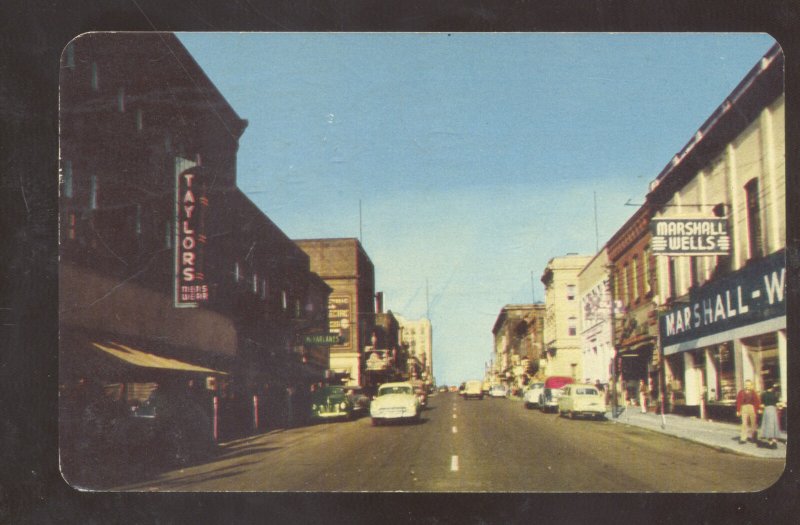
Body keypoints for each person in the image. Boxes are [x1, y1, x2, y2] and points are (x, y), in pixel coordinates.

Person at [735, 380, 761, 444]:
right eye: (746, 385)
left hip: (752, 408)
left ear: (751, 385)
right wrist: (738, 410)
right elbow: (738, 402)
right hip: (744, 408)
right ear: (744, 385)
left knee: (753, 423)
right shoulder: (741, 392)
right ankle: (743, 438)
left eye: (749, 385)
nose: (747, 386)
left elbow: (757, 401)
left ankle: (754, 437)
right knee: (744, 423)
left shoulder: (753, 392)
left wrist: (758, 409)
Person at [759, 383, 781, 449]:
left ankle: (770, 442)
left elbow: (762, 405)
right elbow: (777, 403)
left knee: (768, 425)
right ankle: (774, 442)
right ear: (771, 387)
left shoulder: (763, 394)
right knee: (774, 425)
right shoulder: (775, 394)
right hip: (773, 410)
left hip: (767, 410)